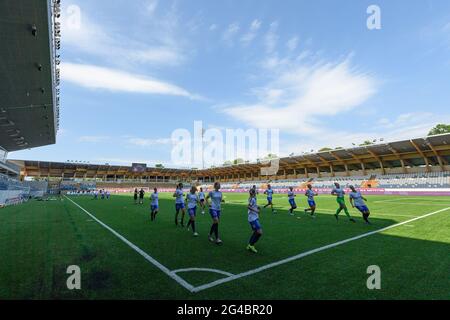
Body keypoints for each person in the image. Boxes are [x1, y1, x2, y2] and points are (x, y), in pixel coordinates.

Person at [247, 188, 262, 253]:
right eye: (255, 192)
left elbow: (252, 205)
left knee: (255, 231)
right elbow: (248, 206)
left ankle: (249, 245)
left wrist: (257, 206)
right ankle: (251, 245)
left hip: (254, 217)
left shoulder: (253, 198)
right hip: (252, 218)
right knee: (259, 232)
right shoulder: (252, 199)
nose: (256, 193)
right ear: (253, 193)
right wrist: (256, 210)